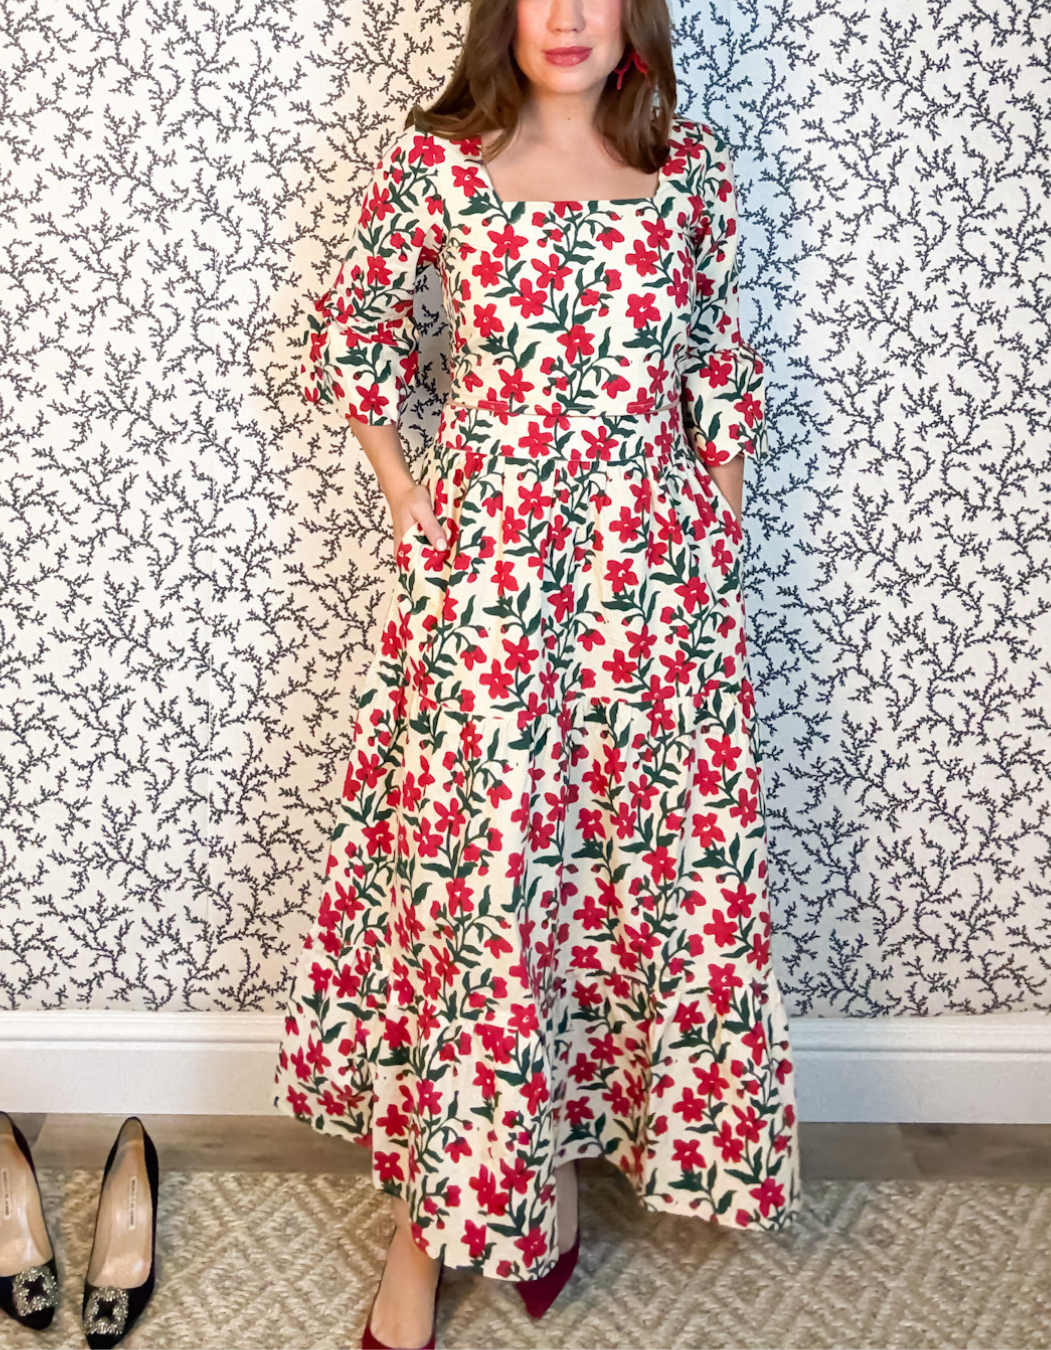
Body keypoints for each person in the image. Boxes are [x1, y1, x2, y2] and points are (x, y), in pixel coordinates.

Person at [272, 0, 802, 1344]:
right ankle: (427, 1227)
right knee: (488, 887)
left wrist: (713, 538)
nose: (567, 16)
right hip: (495, 586)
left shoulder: (690, 166)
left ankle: (547, 1176)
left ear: (635, 15)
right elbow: (356, 333)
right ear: (500, 16)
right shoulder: (439, 164)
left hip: (650, 592)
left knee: (611, 885)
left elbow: (715, 363)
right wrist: (409, 499)